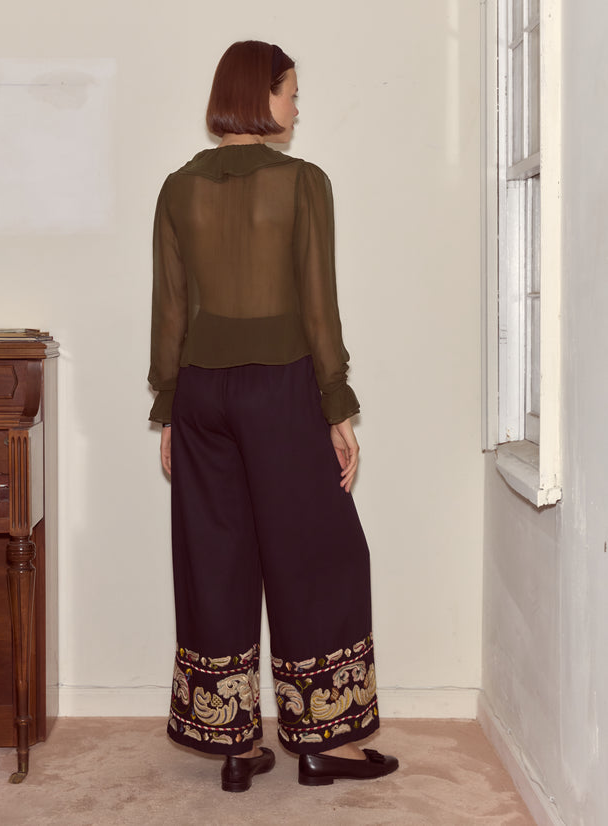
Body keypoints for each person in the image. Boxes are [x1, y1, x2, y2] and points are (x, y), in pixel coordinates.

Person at [148, 40, 398, 792]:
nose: (297, 105)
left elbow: (170, 307)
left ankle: (232, 746)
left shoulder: (177, 188)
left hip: (201, 397)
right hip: (281, 390)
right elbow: (317, 304)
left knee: (215, 558)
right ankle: (325, 743)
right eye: (291, 92)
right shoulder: (301, 183)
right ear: (261, 97)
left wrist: (168, 407)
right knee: (319, 553)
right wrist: (338, 404)